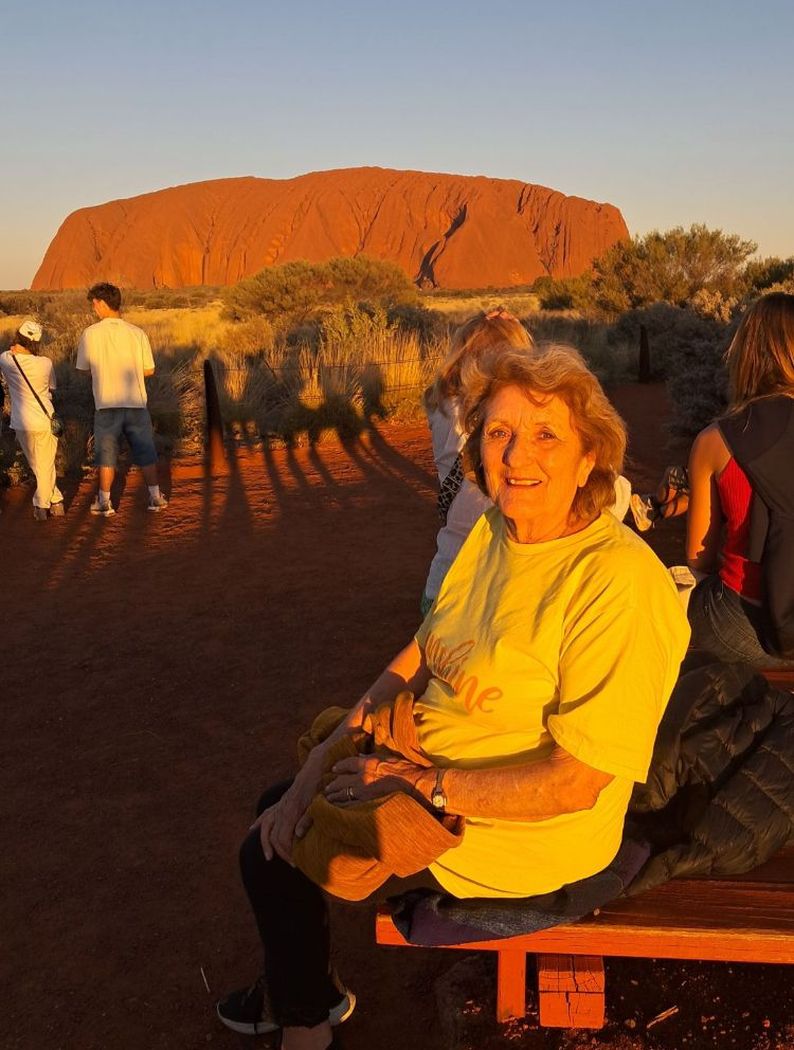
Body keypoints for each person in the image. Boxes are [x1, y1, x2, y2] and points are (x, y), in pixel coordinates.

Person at [216, 343, 689, 1048]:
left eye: (545, 435)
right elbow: (419, 653)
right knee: (279, 805)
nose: (516, 455)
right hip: (437, 772)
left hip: (525, 838)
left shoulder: (617, 583)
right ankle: (301, 990)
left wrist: (418, 781)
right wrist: (325, 760)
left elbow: (576, 781)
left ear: (591, 458)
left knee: (267, 853)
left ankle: (304, 1019)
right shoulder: (498, 530)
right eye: (498, 432)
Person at [422, 309, 632, 614]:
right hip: (493, 597)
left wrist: (484, 326)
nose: (515, 455)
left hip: (442, 582)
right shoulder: (480, 416)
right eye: (498, 433)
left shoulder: (441, 405)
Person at [686, 292, 794, 667]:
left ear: (747, 352)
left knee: (689, 591)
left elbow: (697, 554)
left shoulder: (715, 441)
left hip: (745, 627)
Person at [76, 283, 167, 515]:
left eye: (95, 304)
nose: (94, 309)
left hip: (106, 404)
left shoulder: (90, 334)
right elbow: (149, 370)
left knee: (106, 455)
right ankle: (155, 498)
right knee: (146, 451)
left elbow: (83, 369)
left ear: (104, 304)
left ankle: (105, 502)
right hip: (136, 403)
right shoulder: (137, 333)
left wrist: (103, 370)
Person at [0, 318, 65, 520]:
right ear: (36, 342)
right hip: (45, 420)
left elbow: (8, 354)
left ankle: (52, 502)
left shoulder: (5, 359)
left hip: (21, 422)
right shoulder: (46, 363)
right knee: (44, 465)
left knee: (38, 465)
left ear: (17, 336)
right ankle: (46, 504)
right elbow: (52, 387)